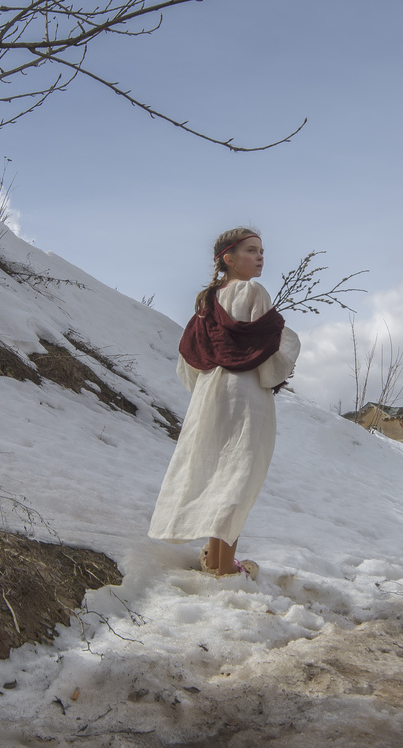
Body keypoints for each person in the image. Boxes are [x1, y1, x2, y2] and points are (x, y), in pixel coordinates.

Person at [148, 228, 299, 578]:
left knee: (217, 471)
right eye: (251, 250)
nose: (260, 256)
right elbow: (273, 346)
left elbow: (189, 358)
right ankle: (226, 567)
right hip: (245, 393)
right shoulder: (253, 291)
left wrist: (206, 386)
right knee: (238, 475)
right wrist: (276, 372)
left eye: (261, 250)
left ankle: (216, 561)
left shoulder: (206, 303)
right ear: (228, 259)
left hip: (209, 393)